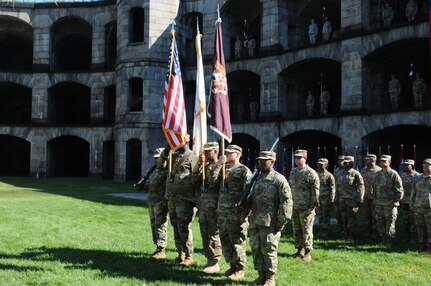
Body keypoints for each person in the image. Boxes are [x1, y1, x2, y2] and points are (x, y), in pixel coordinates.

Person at [241, 150, 292, 286]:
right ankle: (261, 276)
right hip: (255, 221)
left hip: (270, 223)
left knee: (268, 251)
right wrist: (244, 214)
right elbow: (250, 198)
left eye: (265, 160)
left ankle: (270, 279)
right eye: (260, 160)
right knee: (256, 249)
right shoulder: (256, 178)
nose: (262, 163)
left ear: (273, 162)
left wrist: (280, 223)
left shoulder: (278, 180)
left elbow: (286, 204)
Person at [211, 144, 251, 281]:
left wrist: (244, 214)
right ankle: (232, 265)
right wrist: (218, 165)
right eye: (226, 152)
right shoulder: (224, 168)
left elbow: (249, 194)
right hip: (222, 212)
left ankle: (240, 269)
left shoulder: (244, 171)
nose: (226, 154)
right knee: (225, 241)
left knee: (237, 241)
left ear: (238, 154)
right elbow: (211, 181)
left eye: (230, 153)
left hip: (236, 213)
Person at [160, 143, 195, 266]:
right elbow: (160, 166)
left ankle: (189, 255)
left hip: (185, 199)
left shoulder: (193, 156)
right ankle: (181, 253)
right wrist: (166, 150)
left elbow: (197, 178)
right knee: (175, 226)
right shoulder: (172, 155)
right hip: (172, 198)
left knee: (184, 227)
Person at [192, 142, 222, 273]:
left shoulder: (221, 167)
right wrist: (199, 164)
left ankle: (215, 262)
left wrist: (219, 164)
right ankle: (209, 259)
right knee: (204, 234)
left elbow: (214, 181)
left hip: (214, 207)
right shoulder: (205, 166)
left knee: (213, 234)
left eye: (207, 151)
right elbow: (194, 181)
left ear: (215, 152)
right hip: (203, 207)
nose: (204, 153)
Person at [135, 148, 169, 259]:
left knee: (160, 225)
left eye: (158, 158)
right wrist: (142, 183)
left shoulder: (167, 170)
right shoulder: (154, 170)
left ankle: (161, 249)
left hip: (161, 202)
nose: (156, 161)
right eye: (155, 158)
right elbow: (149, 184)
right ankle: (157, 247)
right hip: (152, 201)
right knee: (154, 224)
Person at [289, 149, 320, 262]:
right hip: (295, 206)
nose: (297, 160)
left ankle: (308, 253)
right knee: (296, 229)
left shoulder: (311, 173)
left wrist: (311, 207)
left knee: (306, 230)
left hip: (306, 208)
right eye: (296, 158)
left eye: (299, 157)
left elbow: (315, 192)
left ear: (305, 158)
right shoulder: (293, 172)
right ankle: (299, 250)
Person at [373, 155, 404, 247]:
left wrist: (396, 201)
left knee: (390, 224)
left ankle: (389, 241)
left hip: (390, 204)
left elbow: (399, 189)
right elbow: (374, 187)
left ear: (389, 162)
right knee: (380, 222)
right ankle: (382, 240)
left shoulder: (393, 174)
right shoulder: (378, 174)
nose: (382, 163)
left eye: (384, 161)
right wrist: (375, 198)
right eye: (381, 161)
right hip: (379, 203)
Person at [336, 156, 365, 241]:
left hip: (351, 200)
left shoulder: (355, 173)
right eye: (344, 162)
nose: (346, 164)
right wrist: (336, 198)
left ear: (352, 163)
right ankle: (345, 232)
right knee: (344, 217)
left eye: (348, 162)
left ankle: (351, 234)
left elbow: (361, 186)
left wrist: (360, 199)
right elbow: (337, 186)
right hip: (341, 199)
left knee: (351, 217)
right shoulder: (340, 173)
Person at [411, 158, 431, 252]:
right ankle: (421, 245)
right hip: (418, 207)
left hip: (429, 208)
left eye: (428, 165)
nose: (425, 167)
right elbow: (413, 192)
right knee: (420, 227)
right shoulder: (417, 178)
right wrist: (412, 204)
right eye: (424, 165)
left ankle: (429, 246)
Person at [360, 154, 381, 238]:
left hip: (375, 198)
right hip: (366, 197)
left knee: (375, 216)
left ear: (373, 161)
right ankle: (367, 232)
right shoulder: (363, 170)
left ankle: (375, 232)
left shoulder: (379, 171)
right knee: (366, 215)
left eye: (367, 160)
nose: (365, 161)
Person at [400, 159, 419, 243]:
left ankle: (413, 238)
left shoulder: (417, 176)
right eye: (404, 165)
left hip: (413, 201)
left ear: (412, 166)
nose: (405, 166)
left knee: (413, 220)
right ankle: (406, 237)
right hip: (404, 201)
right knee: (405, 220)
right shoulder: (402, 175)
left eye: (407, 165)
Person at [317, 158, 335, 238]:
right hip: (318, 198)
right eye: (319, 164)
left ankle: (325, 231)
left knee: (326, 215)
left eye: (322, 164)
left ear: (326, 165)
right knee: (319, 215)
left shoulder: (329, 176)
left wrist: (331, 199)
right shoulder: (316, 174)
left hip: (326, 198)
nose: (320, 165)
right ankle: (321, 230)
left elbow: (332, 188)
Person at [334, 155, 346, 233]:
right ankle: (339, 227)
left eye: (342, 160)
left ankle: (346, 228)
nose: (340, 162)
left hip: (346, 195)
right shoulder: (337, 170)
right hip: (338, 194)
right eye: (339, 160)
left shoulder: (348, 171)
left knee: (345, 213)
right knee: (338, 212)